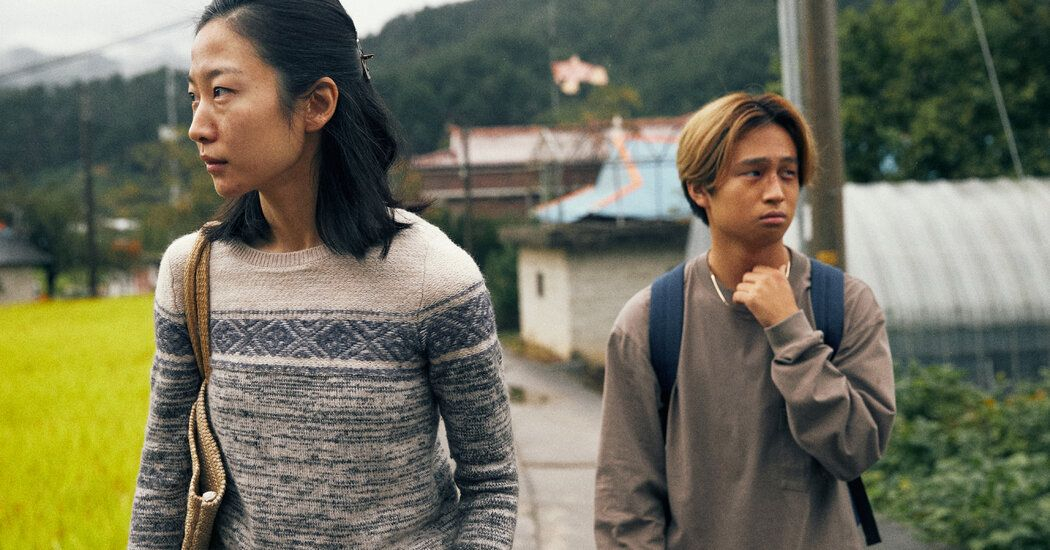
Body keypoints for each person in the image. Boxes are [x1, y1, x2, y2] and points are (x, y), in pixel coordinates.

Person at [128, 0, 517, 547]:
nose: (197, 126)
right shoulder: (192, 273)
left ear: (317, 103)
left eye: (222, 91)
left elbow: (491, 484)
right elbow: (163, 479)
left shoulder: (436, 281)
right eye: (195, 96)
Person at [593, 92, 895, 548]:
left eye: (788, 173)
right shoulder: (650, 322)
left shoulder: (846, 303)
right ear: (700, 189)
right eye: (754, 173)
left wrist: (790, 331)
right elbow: (625, 503)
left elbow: (856, 450)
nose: (776, 191)